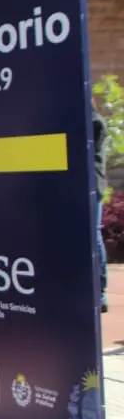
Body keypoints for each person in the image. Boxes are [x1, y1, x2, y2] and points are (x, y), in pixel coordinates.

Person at [93, 98, 109, 313]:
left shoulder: (95, 121)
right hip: (78, 186)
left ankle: (101, 292)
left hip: (92, 186)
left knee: (93, 235)